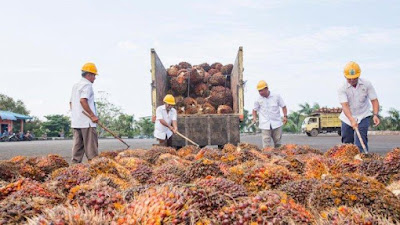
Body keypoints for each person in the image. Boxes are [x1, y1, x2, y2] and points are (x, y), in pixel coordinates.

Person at [338, 61, 380, 153]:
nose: (352, 80)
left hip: (363, 115)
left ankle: (362, 160)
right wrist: (351, 119)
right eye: (349, 79)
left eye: (354, 78)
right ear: (345, 77)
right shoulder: (342, 88)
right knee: (347, 143)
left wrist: (375, 114)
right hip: (347, 117)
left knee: (360, 143)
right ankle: (348, 163)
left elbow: (374, 100)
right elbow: (345, 105)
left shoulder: (367, 84)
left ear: (358, 75)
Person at [69, 62, 99, 163]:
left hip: (77, 121)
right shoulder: (87, 85)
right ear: (88, 75)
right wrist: (92, 115)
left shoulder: (75, 86)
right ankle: (95, 167)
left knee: (78, 147)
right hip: (87, 122)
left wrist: (75, 114)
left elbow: (71, 103)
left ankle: (74, 167)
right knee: (91, 149)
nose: (95, 78)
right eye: (94, 75)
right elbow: (83, 100)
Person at [252, 80, 288, 148]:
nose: (260, 93)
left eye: (261, 90)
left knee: (278, 144)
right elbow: (254, 110)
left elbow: (283, 106)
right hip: (265, 125)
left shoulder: (276, 96)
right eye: (259, 91)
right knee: (266, 146)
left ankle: (278, 158)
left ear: (266, 88)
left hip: (276, 124)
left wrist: (285, 116)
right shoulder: (258, 99)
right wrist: (254, 118)